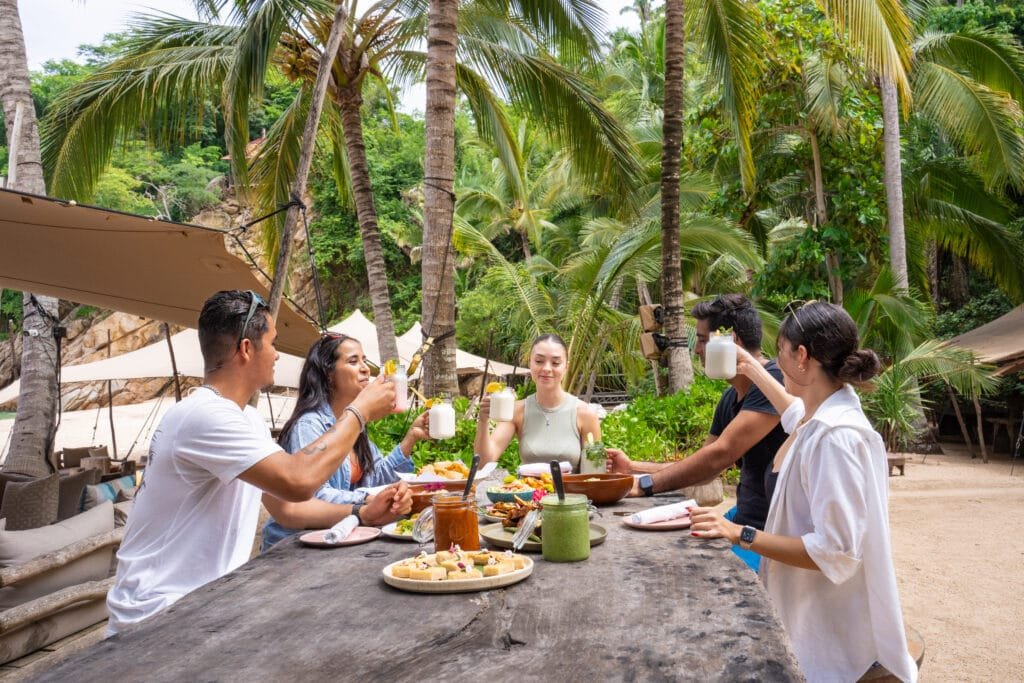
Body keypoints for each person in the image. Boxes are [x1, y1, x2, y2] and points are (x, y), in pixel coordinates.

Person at [106, 291, 407, 636]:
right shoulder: (205, 416)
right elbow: (298, 480)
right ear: (247, 349)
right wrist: (361, 410)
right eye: (273, 343)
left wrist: (361, 514)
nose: (278, 354)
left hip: (205, 605)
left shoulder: (245, 419)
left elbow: (288, 508)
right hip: (158, 615)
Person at [688, 301, 917, 682]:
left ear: (802, 356)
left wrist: (740, 534)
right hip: (815, 614)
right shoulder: (826, 415)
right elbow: (794, 412)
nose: (775, 363)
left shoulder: (835, 439)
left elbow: (837, 551)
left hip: (837, 639)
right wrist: (750, 366)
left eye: (779, 353)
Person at [607, 295, 787, 567]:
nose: (697, 350)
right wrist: (633, 469)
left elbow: (720, 455)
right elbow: (704, 466)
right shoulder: (730, 398)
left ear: (731, 341)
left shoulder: (773, 381)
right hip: (742, 517)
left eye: (702, 340)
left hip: (769, 535)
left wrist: (644, 486)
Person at [261, 333, 428, 550]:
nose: (366, 368)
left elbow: (376, 477)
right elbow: (314, 494)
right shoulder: (309, 424)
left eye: (364, 360)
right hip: (293, 546)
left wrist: (411, 437)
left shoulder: (354, 423)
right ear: (328, 374)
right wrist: (368, 499)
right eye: (352, 361)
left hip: (339, 537)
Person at [474, 334, 601, 471]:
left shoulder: (585, 414)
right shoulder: (517, 411)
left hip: (570, 492)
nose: (546, 368)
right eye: (539, 361)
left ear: (566, 367)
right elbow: (483, 463)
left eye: (555, 363)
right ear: (530, 364)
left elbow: (594, 472)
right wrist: (483, 421)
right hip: (526, 491)